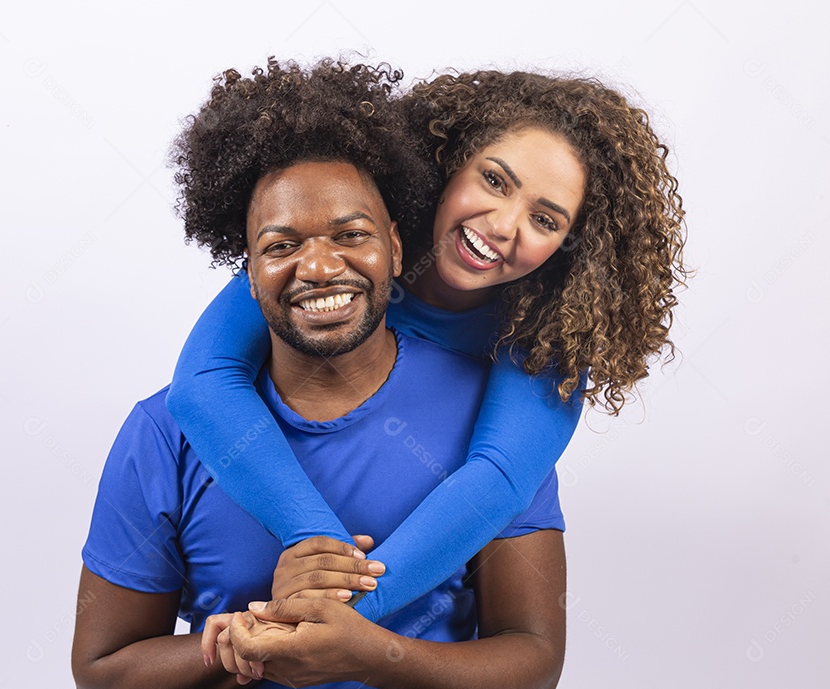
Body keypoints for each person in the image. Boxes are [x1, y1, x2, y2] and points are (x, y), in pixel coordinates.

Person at [72, 59, 566, 689]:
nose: (320, 266)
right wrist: (252, 641)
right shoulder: (166, 431)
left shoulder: (501, 409)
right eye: (281, 246)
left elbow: (531, 674)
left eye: (350, 235)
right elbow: (102, 685)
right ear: (245, 273)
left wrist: (358, 641)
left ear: (394, 243)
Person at [166, 64, 688, 622]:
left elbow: (497, 481)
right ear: (450, 162)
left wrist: (345, 615)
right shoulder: (347, 240)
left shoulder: (545, 335)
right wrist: (318, 544)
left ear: (569, 246)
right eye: (494, 180)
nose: (503, 224)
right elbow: (201, 384)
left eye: (544, 219)